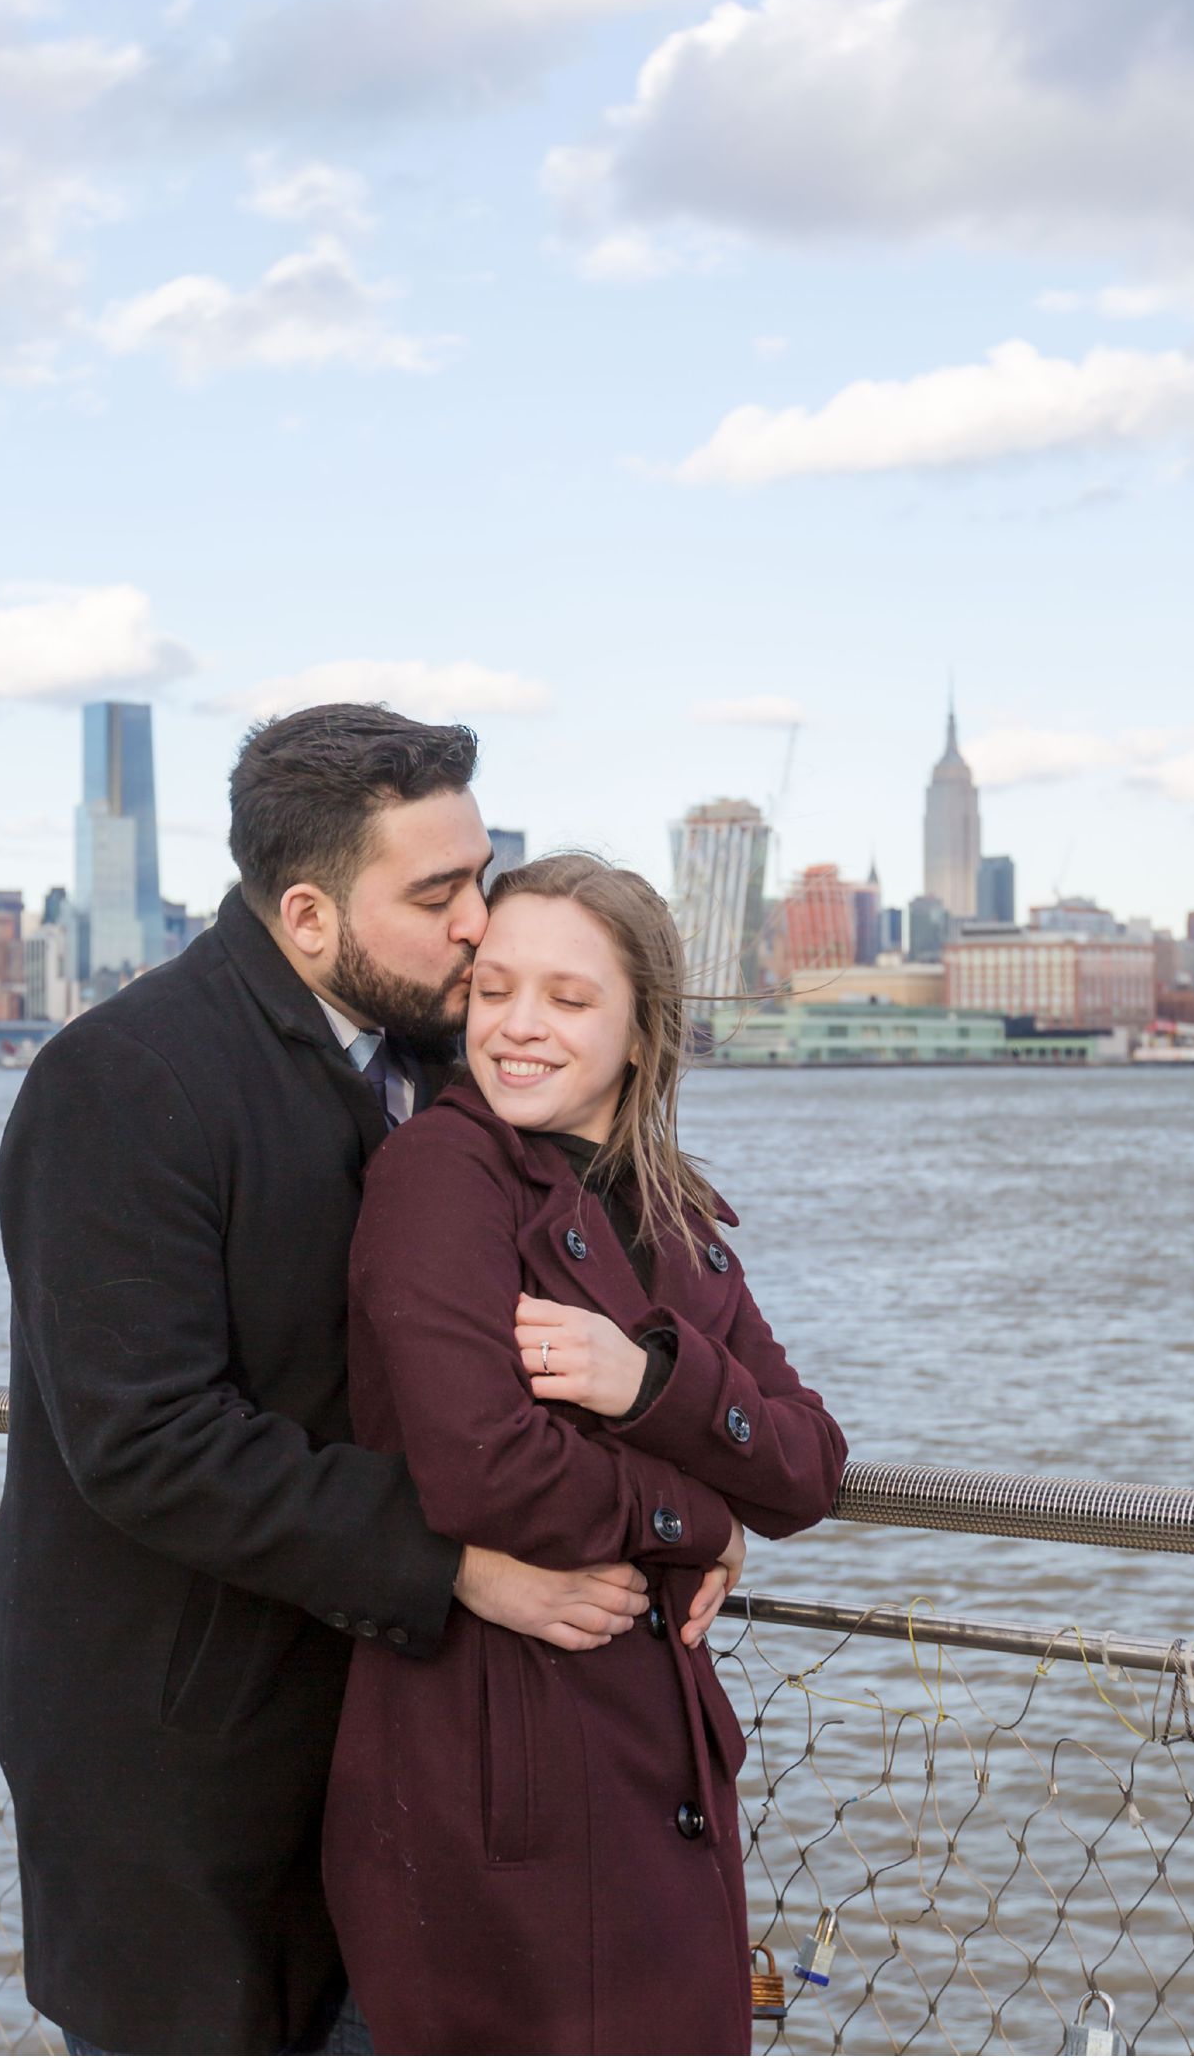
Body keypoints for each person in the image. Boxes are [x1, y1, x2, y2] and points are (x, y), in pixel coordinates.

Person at [0, 706, 691, 2054]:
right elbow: (148, 1440)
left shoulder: (458, 1071)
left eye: (482, 873)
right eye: (439, 893)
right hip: (188, 1767)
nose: (482, 922)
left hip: (408, 1745)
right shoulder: (121, 1083)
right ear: (309, 916)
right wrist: (458, 1565)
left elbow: (618, 1303)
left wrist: (680, 1504)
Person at [324, 850, 848, 2052]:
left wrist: (647, 1378)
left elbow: (810, 1462)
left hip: (652, 1755)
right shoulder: (442, 1174)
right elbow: (480, 1467)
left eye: (566, 999)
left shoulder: (670, 1205)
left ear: (641, 1025)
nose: (516, 1028)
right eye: (493, 988)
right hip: (496, 1760)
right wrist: (701, 1520)